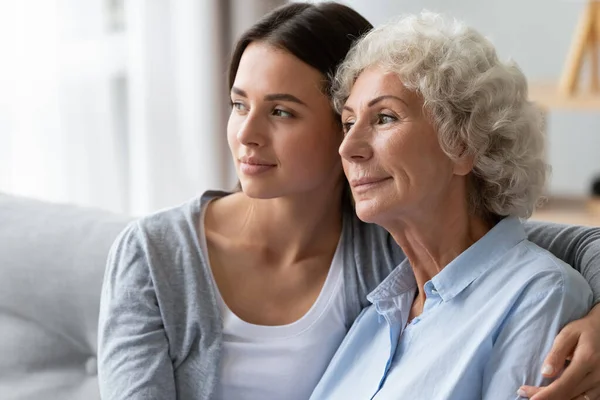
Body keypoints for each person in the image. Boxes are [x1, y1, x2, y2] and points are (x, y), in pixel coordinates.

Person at [98, 3, 600, 400]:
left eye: (281, 111)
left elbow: (556, 252)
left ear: (463, 144)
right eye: (237, 104)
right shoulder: (391, 294)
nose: (246, 134)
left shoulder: (394, 251)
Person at [309, 11, 597, 400]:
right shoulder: (379, 312)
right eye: (348, 123)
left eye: (384, 118)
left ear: (462, 145)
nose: (348, 147)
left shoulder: (538, 295)